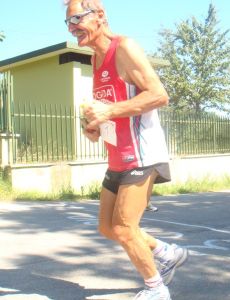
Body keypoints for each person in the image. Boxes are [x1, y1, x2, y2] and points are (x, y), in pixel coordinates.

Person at [65, 1, 188, 299]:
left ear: (100, 15)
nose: (72, 27)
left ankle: (156, 289)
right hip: (118, 156)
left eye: (77, 18)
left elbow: (159, 94)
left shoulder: (125, 47)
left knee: (123, 227)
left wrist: (109, 112)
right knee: (107, 227)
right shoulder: (95, 60)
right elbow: (110, 109)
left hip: (143, 153)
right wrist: (93, 125)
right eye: (68, 23)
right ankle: (166, 253)